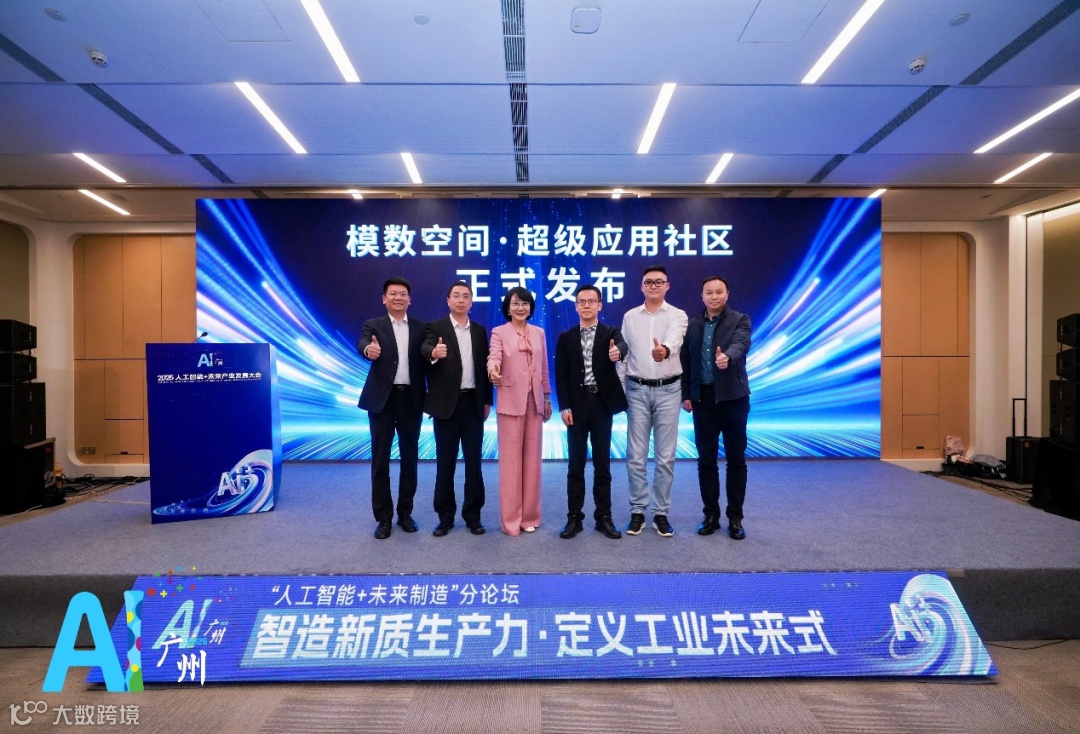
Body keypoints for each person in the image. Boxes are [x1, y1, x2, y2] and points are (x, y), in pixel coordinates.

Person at [680, 275, 752, 540]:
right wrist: (686, 394)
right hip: (703, 400)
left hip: (733, 398)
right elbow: (686, 361)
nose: (714, 296)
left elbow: (741, 344)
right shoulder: (693, 324)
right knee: (706, 460)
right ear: (702, 296)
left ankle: (735, 518)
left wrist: (728, 357)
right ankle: (710, 515)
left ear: (727, 294)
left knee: (736, 460)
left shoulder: (740, 320)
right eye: (709, 292)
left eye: (719, 292)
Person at [619, 265, 688, 537]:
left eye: (659, 282)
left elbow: (675, 340)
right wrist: (620, 390)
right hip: (636, 390)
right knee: (635, 456)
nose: (654, 286)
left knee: (665, 457)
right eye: (649, 282)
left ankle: (661, 513)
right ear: (641, 287)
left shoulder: (678, 315)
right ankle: (637, 511)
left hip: (669, 390)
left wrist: (665, 351)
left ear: (667, 286)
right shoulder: (630, 316)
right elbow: (623, 355)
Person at [554, 284, 628, 540]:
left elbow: (622, 346)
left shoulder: (610, 333)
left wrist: (618, 352)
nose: (586, 305)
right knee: (575, 464)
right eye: (582, 301)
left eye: (591, 301)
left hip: (601, 404)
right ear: (576, 306)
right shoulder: (566, 337)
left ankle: (603, 517)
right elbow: (561, 375)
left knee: (602, 463)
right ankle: (574, 518)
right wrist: (564, 406)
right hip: (576, 405)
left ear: (600, 305)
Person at [356, 277, 426, 540]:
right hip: (382, 401)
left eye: (403, 293)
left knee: (410, 459)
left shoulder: (421, 327)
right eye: (393, 293)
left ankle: (405, 513)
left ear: (410, 299)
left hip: (411, 399)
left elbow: (428, 354)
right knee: (380, 460)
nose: (398, 297)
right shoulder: (373, 325)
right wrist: (368, 350)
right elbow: (363, 343)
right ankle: (383, 518)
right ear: (384, 298)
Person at [421, 281, 493, 537]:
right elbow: (424, 348)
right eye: (456, 296)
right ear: (448, 300)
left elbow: (485, 367)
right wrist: (434, 352)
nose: (461, 300)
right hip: (445, 406)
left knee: (474, 463)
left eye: (466, 296)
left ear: (471, 302)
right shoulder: (435, 327)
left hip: (473, 404)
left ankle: (473, 516)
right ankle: (445, 517)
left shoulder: (480, 330)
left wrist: (487, 401)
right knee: (445, 463)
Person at [487, 287, 552, 536]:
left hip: (535, 402)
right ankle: (511, 521)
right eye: (515, 303)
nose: (520, 308)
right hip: (510, 402)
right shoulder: (499, 332)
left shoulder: (539, 333)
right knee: (511, 464)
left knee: (533, 462)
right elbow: (494, 357)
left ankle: (529, 517)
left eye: (525, 303)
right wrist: (493, 370)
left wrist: (547, 397)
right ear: (508, 307)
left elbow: (544, 368)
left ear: (530, 307)